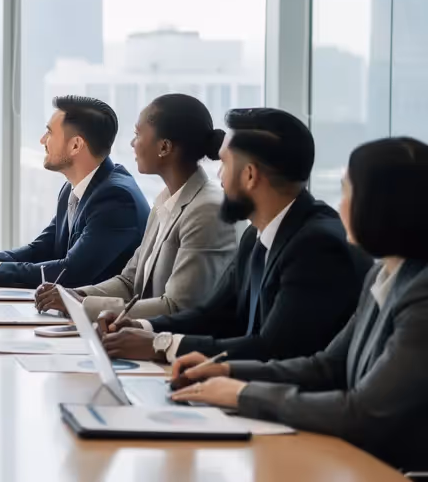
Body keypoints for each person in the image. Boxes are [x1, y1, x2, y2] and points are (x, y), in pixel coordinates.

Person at [169, 137, 428, 473]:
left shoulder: (421, 293)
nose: (340, 203)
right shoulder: (384, 274)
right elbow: (327, 367)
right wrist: (228, 370)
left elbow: (364, 412)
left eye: (347, 191)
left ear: (382, 205)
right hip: (359, 458)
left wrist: (242, 395)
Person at [100, 107, 373, 364]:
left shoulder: (315, 247)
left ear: (250, 175)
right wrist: (141, 326)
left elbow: (273, 349)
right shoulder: (257, 233)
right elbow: (215, 314)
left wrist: (161, 345)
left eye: (225, 163)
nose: (219, 175)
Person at [35, 94, 235, 320]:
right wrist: (75, 295)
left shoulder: (206, 210)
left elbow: (177, 307)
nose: (132, 143)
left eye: (138, 135)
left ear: (164, 147)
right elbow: (129, 281)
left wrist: (81, 305)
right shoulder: (164, 200)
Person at [0, 96, 149, 288]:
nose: (42, 140)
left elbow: (70, 272)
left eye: (50, 133)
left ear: (76, 145)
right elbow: (42, 249)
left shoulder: (116, 199)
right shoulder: (74, 188)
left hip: (99, 318)